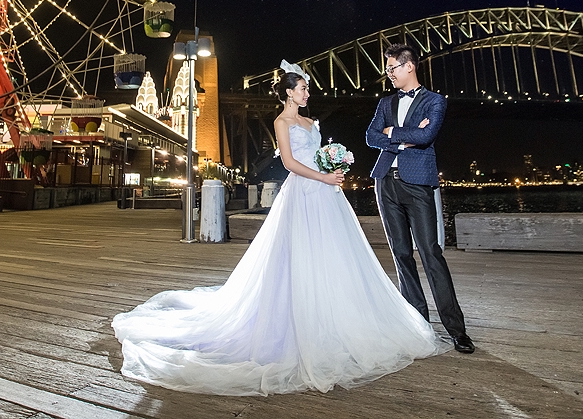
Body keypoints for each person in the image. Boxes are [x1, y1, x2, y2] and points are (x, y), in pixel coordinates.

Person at [112, 61, 449, 396]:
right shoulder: (282, 122)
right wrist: (324, 176)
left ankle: (335, 315)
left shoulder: (311, 122)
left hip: (326, 196)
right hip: (303, 193)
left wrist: (332, 165)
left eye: (307, 88)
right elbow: (289, 163)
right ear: (289, 93)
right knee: (298, 257)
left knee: (333, 256)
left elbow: (316, 154)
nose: (307, 93)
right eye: (302, 88)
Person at [366, 43, 475, 354]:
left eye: (392, 68)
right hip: (385, 182)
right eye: (387, 69)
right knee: (401, 254)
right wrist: (405, 136)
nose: (388, 74)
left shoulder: (435, 101)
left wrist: (392, 133)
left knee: (430, 253)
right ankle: (417, 324)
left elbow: (427, 136)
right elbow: (370, 137)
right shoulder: (385, 102)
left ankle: (457, 330)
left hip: (417, 184)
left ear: (409, 66)